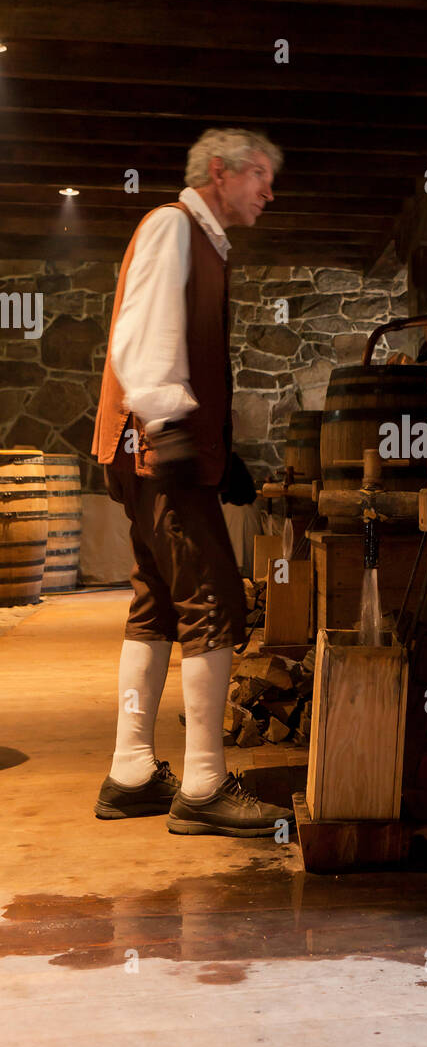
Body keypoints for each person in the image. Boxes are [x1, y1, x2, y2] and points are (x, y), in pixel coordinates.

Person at [91, 128, 292, 838]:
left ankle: (132, 772)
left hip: (159, 450)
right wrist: (170, 428)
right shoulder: (172, 226)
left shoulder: (201, 240)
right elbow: (141, 335)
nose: (269, 191)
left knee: (157, 603)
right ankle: (205, 784)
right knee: (213, 600)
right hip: (156, 450)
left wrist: (214, 448)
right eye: (261, 176)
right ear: (220, 172)